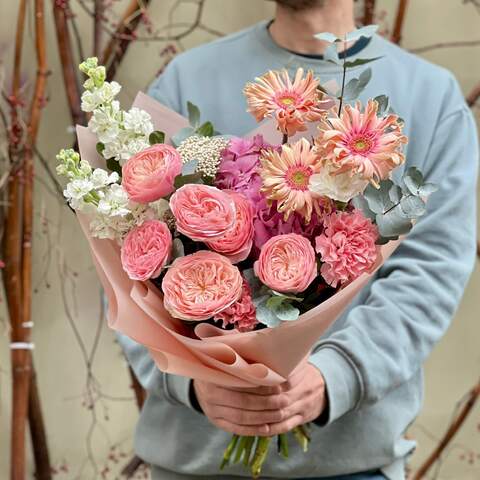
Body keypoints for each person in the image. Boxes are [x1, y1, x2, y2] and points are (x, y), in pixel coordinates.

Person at [118, 1, 479, 479]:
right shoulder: (186, 82)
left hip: (351, 463)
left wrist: (336, 375)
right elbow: (130, 258)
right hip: (192, 459)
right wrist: (191, 379)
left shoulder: (430, 98)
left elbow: (431, 270)